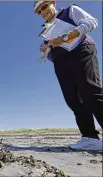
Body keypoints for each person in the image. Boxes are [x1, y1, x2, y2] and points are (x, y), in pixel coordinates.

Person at [34, 0, 103, 151]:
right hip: (61, 62)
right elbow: (51, 53)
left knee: (91, 92)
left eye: (44, 7)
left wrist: (64, 37)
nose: (42, 12)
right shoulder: (45, 31)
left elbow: (91, 22)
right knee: (73, 99)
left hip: (81, 51)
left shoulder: (70, 10)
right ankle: (90, 138)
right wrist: (46, 50)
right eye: (39, 11)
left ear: (53, 2)